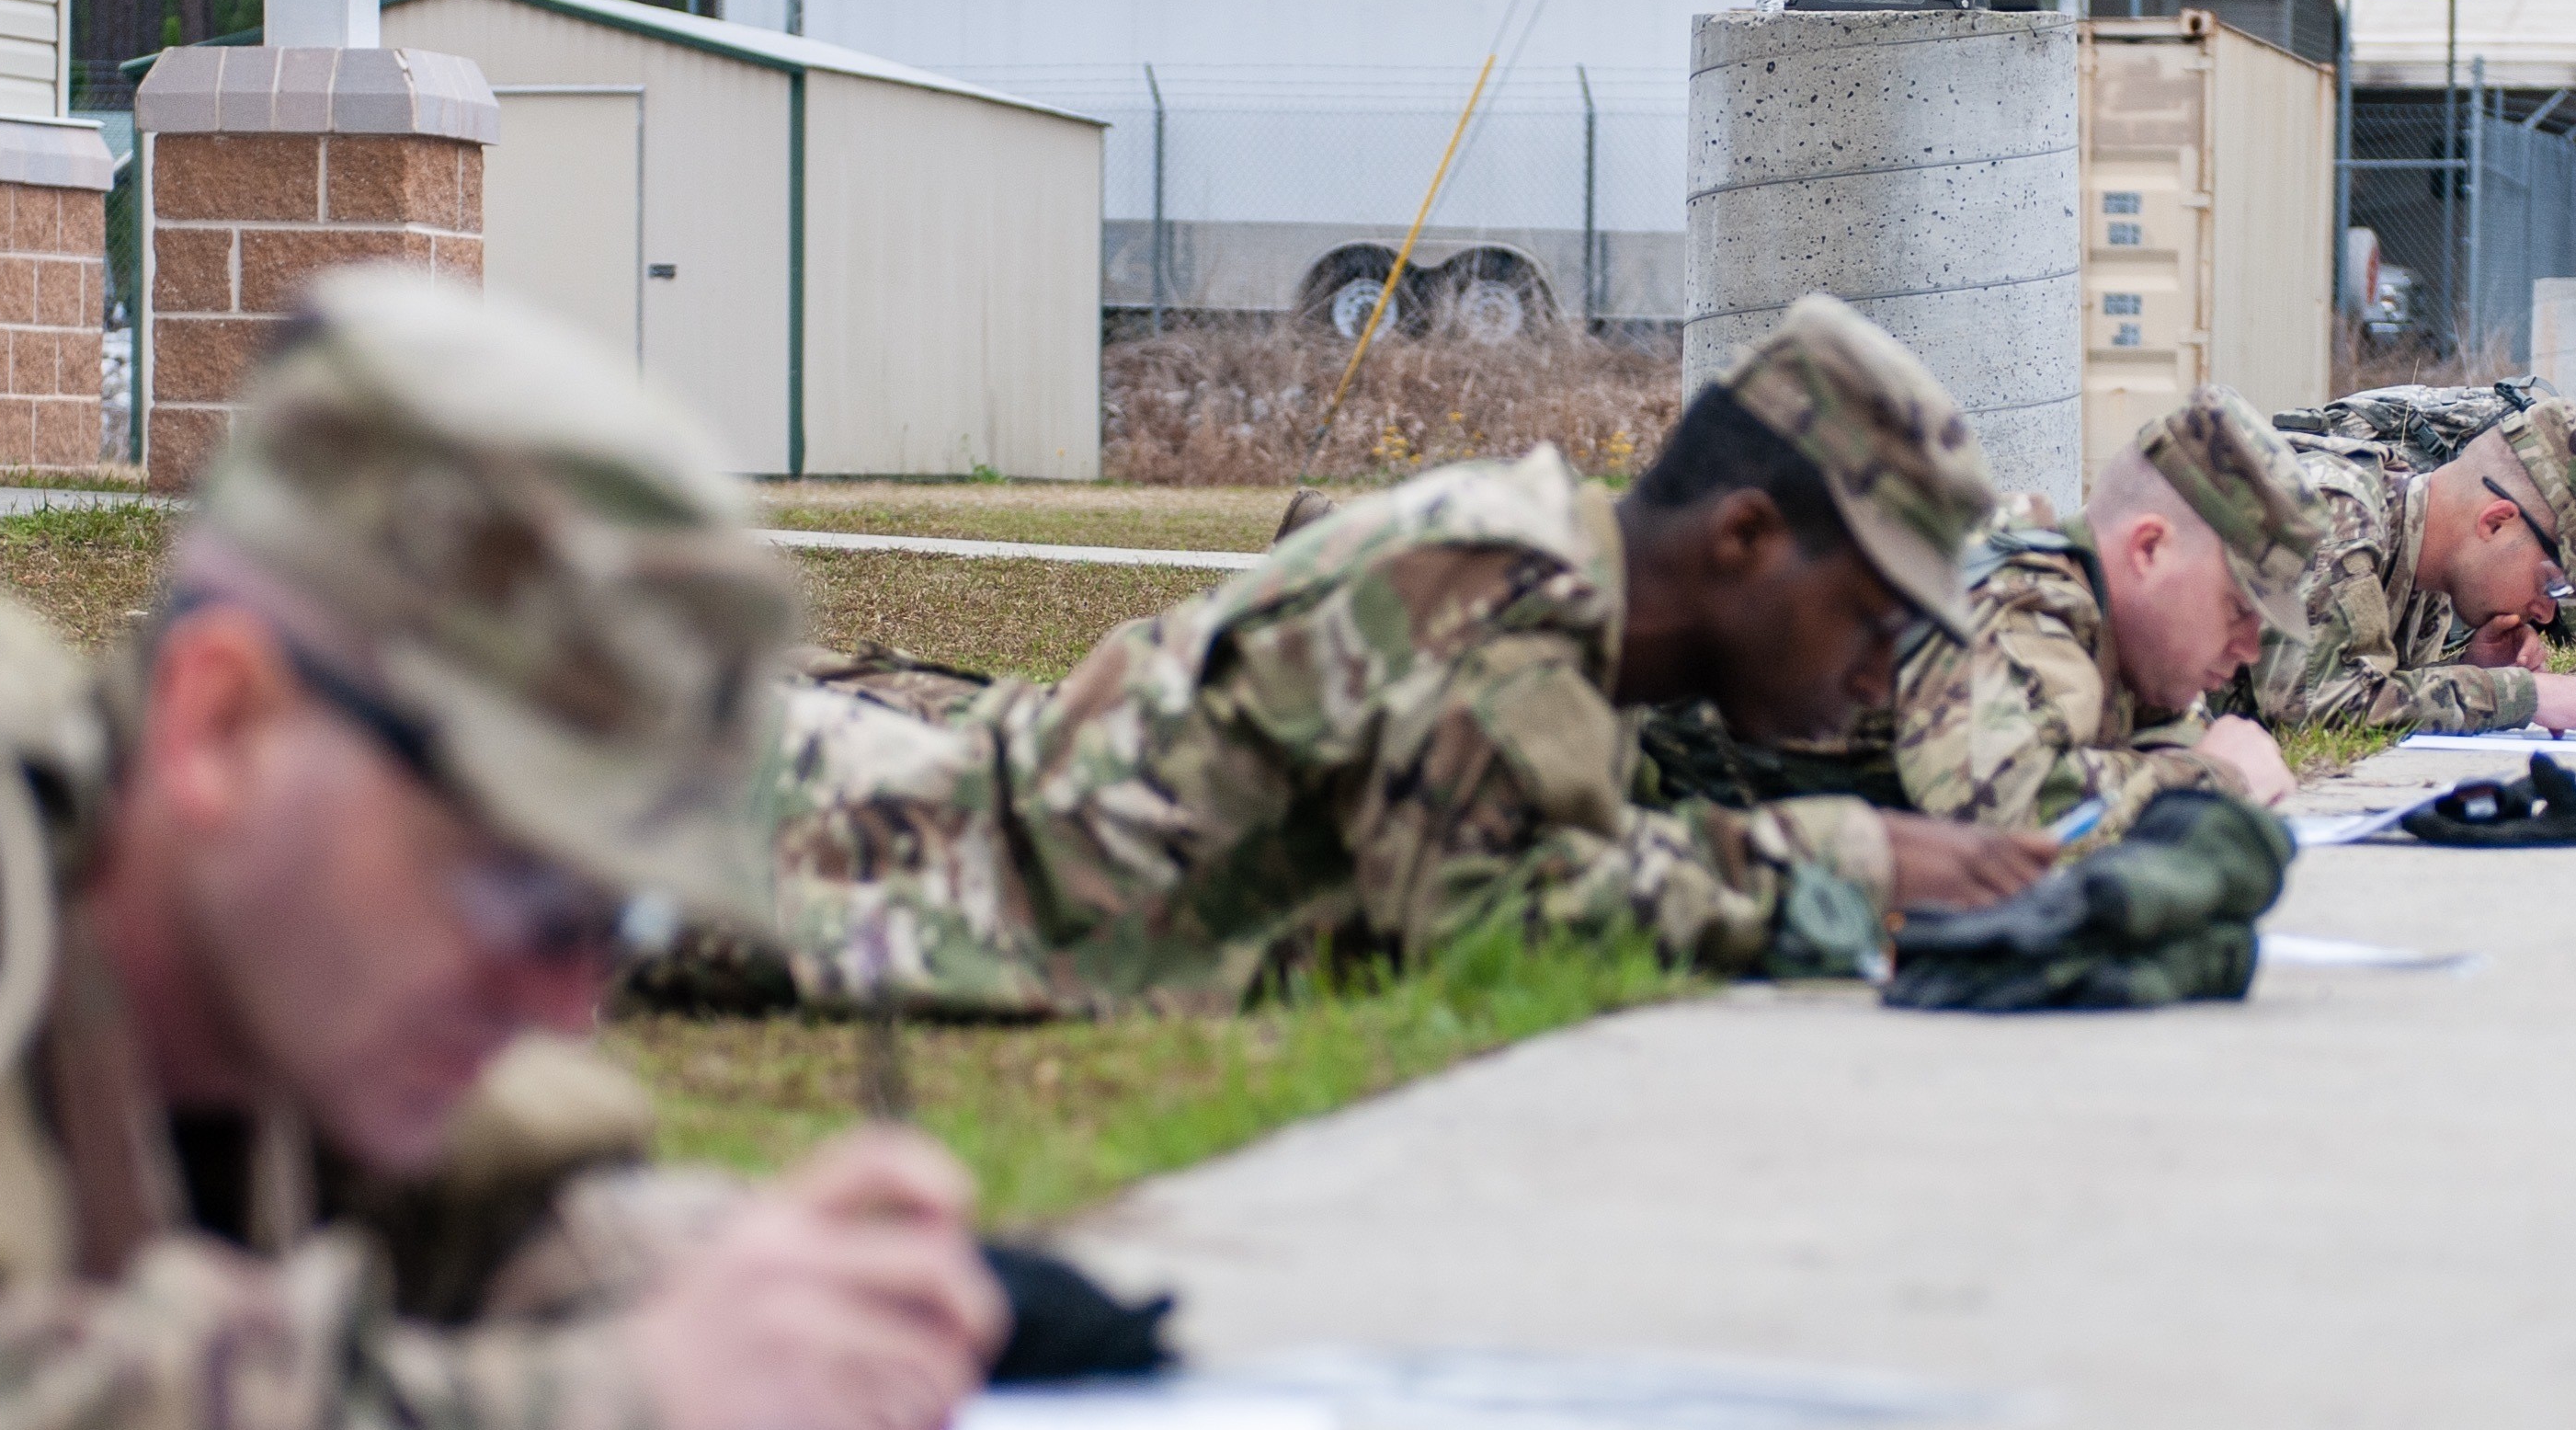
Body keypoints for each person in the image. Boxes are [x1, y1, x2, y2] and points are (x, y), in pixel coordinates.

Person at [0, 270, 1006, 1430]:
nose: (556, 1000)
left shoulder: (224, 959)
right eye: (516, 891)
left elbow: (469, 1221)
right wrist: (558, 1426)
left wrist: (763, 1297)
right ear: (221, 726)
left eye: (610, 919)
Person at [756, 296, 2061, 1015]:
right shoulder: (1502, 586)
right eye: (1872, 618)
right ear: (1743, 536)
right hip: (833, 858)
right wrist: (1850, 857)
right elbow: (1492, 921)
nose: (1875, 673)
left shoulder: (1572, 598)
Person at [1883, 385, 2326, 835]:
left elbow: (2167, 740)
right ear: (2150, 549)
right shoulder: (2023, 608)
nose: (2251, 649)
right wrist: (2214, 776)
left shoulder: (2127, 650)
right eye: (2236, 608)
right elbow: (1996, 814)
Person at [2228, 398, 2576, 738]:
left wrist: (2468, 668)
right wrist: (2519, 694)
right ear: (2496, 522)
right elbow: (2316, 707)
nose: (2546, 613)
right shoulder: (2339, 512)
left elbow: (2377, 688)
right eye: (2551, 583)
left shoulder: (2429, 574)